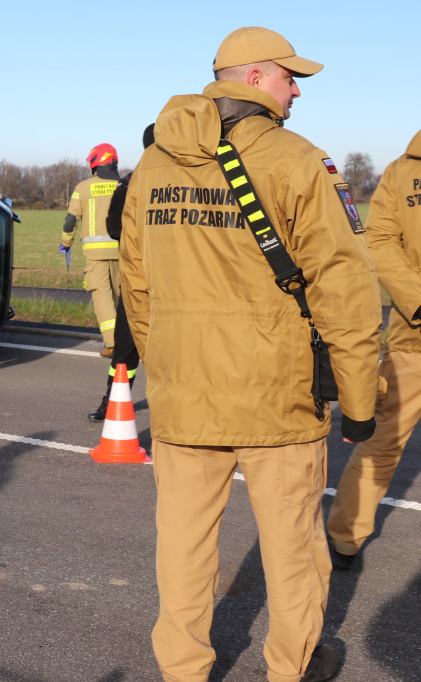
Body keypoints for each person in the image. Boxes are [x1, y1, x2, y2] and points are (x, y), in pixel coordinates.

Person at [120, 27, 382, 682]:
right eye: (291, 77)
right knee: (295, 552)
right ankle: (289, 670)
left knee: (181, 549)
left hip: (185, 395)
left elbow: (136, 282)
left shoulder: (154, 163)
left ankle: (182, 671)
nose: (297, 89)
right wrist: (358, 403)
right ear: (257, 78)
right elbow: (344, 291)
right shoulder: (297, 160)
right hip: (277, 398)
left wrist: (170, 363)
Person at [327, 129, 421, 570]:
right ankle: (344, 538)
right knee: (384, 441)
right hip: (415, 336)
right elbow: (380, 241)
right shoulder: (405, 172)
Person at [87, 125, 154, 422]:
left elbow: (114, 228)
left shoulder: (128, 184)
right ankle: (114, 401)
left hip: (139, 281)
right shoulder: (191, 183)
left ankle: (111, 403)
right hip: (164, 283)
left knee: (125, 351)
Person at [60, 143, 121, 358]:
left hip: (96, 257)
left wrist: (65, 243)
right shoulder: (125, 185)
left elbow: (70, 221)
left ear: (94, 163)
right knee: (122, 299)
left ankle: (113, 344)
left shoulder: (83, 188)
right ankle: (132, 341)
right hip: (123, 253)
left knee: (103, 299)